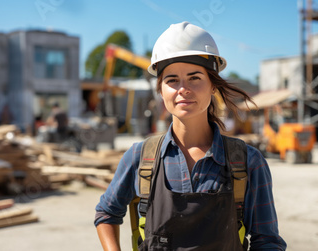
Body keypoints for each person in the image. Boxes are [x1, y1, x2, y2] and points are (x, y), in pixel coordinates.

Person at [94, 22, 287, 250]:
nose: (183, 89)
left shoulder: (246, 162)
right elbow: (106, 213)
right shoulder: (140, 158)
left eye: (195, 78)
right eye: (172, 80)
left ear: (213, 86)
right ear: (160, 89)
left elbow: (267, 241)